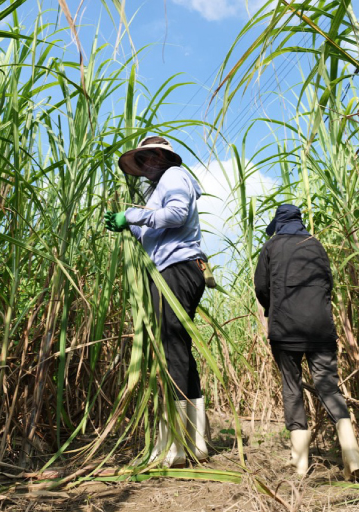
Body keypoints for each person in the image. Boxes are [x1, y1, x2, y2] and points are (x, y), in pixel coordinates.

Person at [105, 136, 209, 468]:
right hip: (178, 269)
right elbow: (157, 230)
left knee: (171, 349)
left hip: (176, 270)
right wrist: (129, 226)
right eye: (143, 159)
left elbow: (176, 215)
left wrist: (132, 215)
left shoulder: (174, 177)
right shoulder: (159, 188)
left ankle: (176, 446)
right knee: (178, 348)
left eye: (152, 157)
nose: (147, 164)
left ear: (164, 158)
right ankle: (195, 441)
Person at [254, 204, 359, 480]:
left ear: (278, 224)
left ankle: (300, 463)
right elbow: (328, 283)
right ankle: (353, 457)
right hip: (320, 328)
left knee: (292, 387)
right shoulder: (316, 245)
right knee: (328, 386)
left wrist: (274, 307)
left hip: (286, 329)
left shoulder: (271, 246)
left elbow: (261, 287)